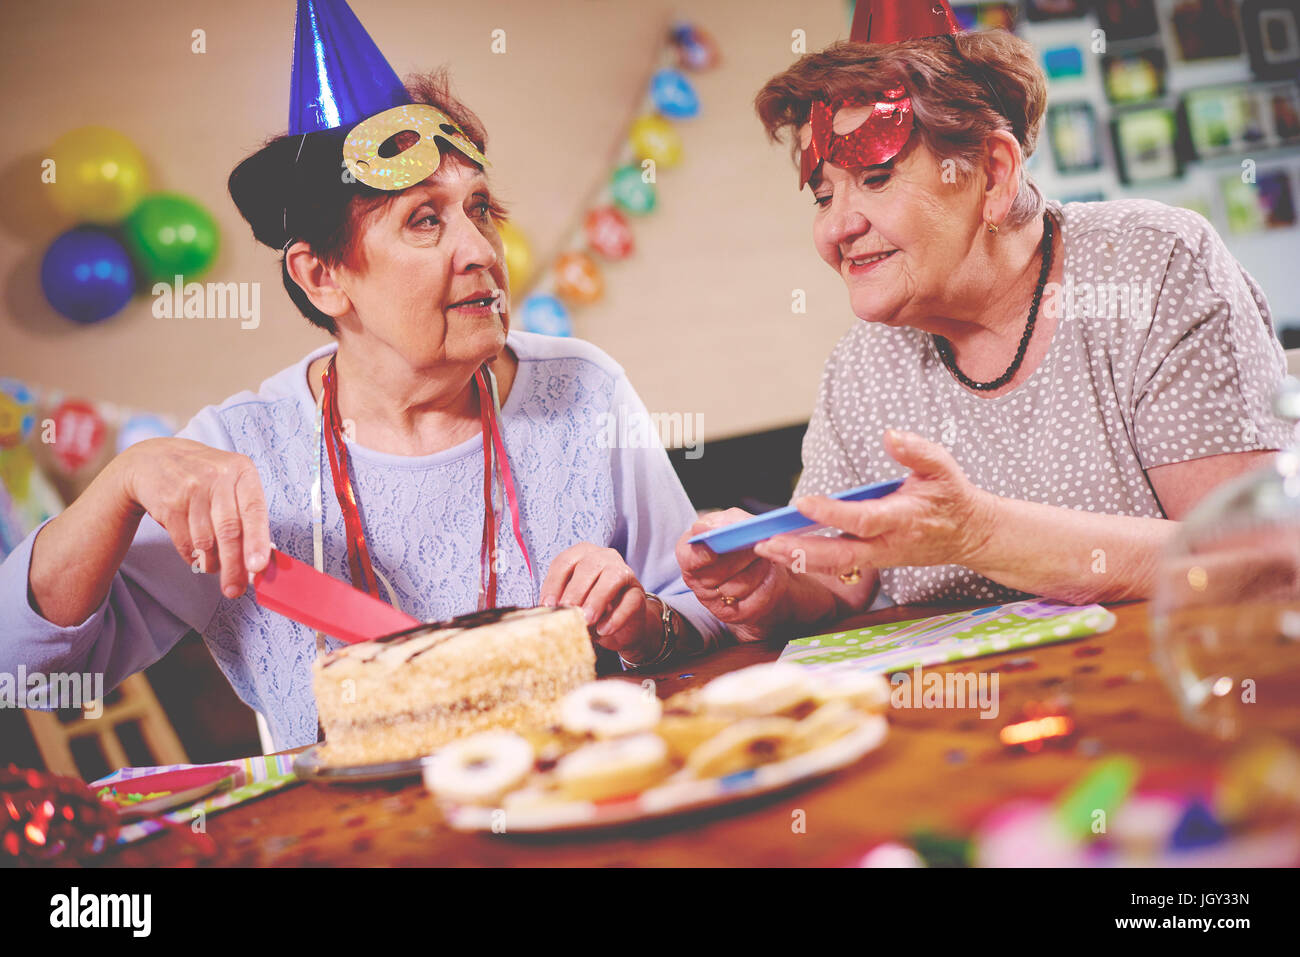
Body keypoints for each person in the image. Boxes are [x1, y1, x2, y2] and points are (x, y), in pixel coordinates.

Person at [0, 0, 722, 751]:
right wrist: (125, 479)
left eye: (480, 208)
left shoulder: (583, 390)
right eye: (424, 220)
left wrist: (645, 624)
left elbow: (705, 612)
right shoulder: (242, 449)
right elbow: (25, 670)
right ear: (321, 276)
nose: (480, 248)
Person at [677, 0, 1293, 641]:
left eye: (878, 177)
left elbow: (1258, 559)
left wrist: (979, 533)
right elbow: (840, 578)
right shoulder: (863, 364)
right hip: (944, 730)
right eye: (825, 194)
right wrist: (771, 585)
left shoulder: (1151, 266)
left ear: (993, 173)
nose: (836, 227)